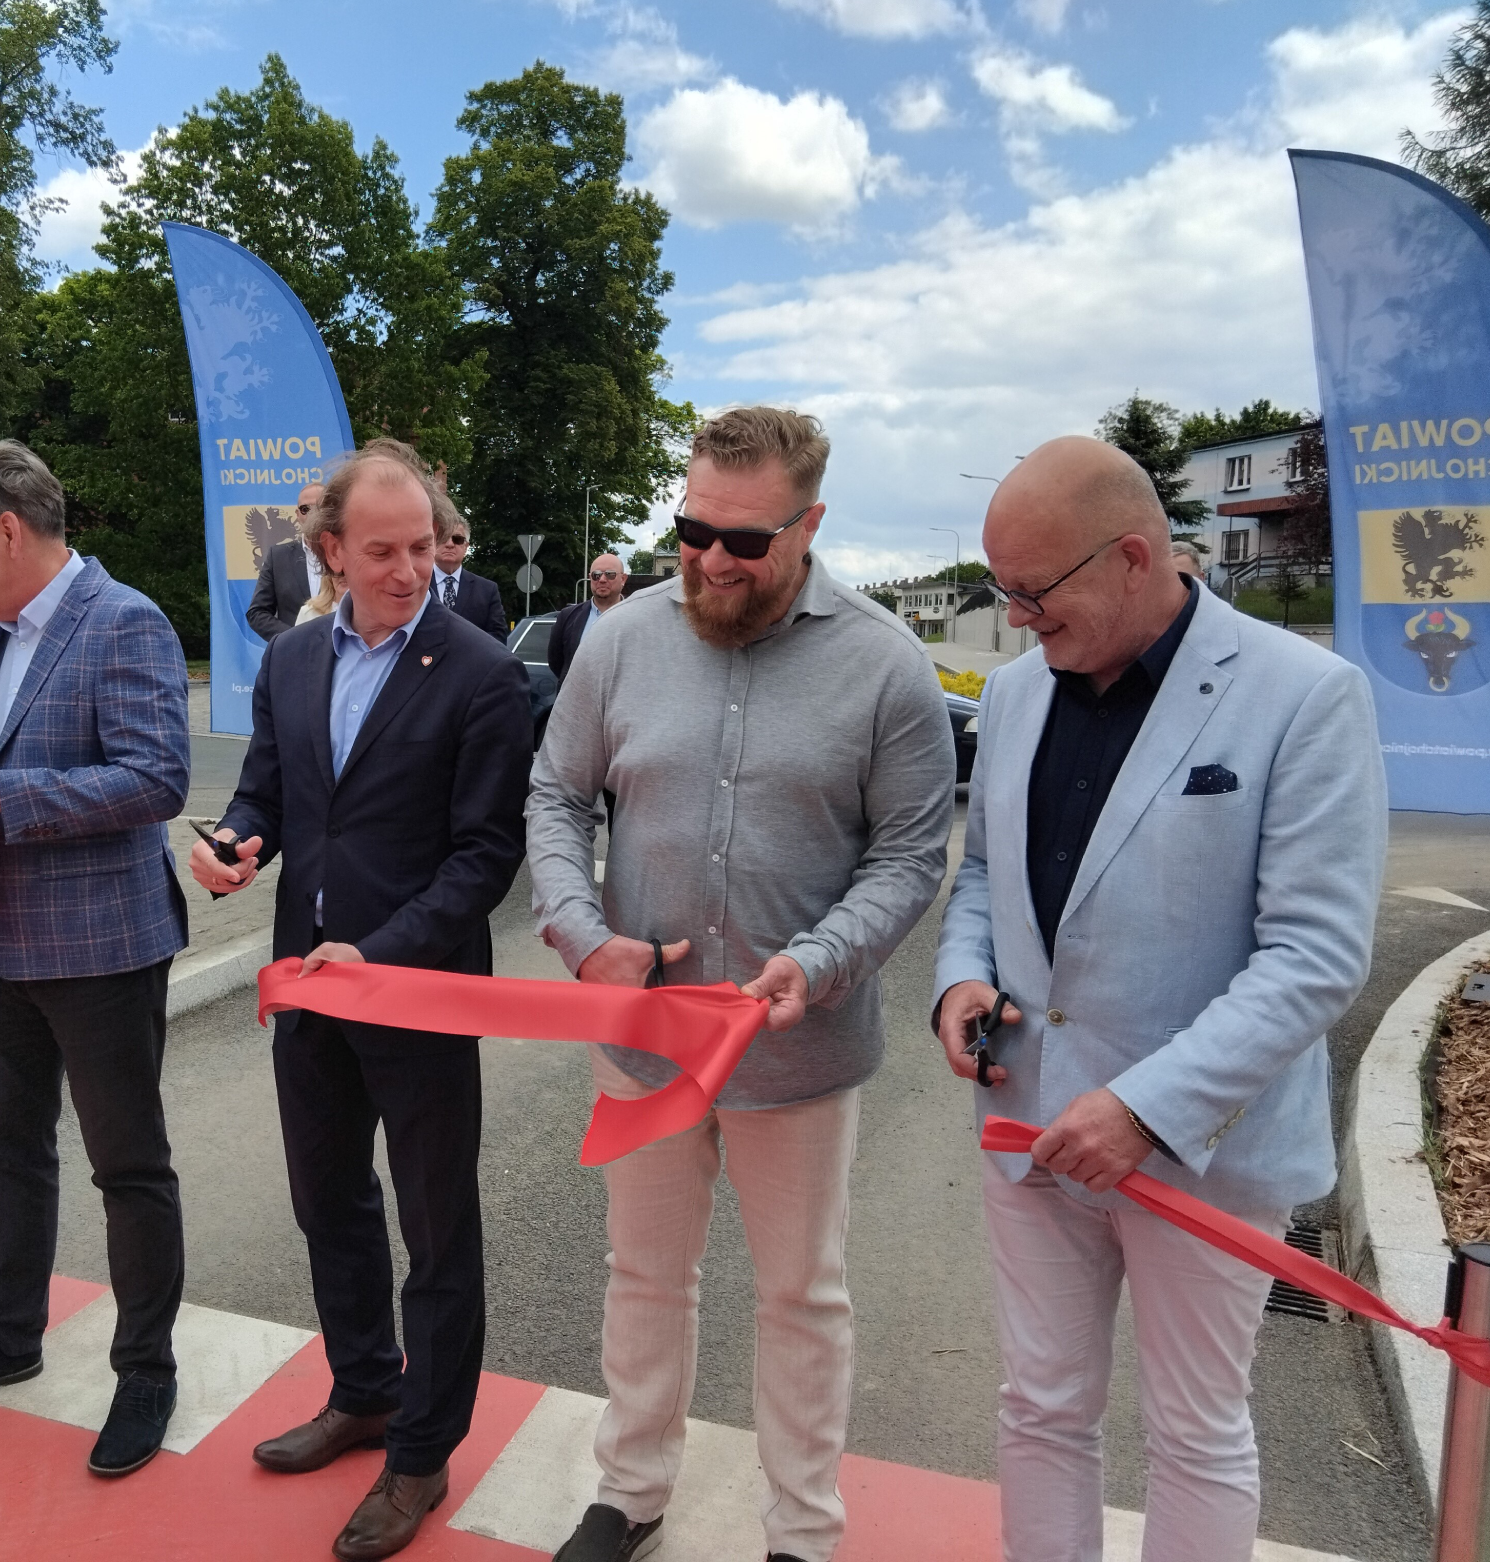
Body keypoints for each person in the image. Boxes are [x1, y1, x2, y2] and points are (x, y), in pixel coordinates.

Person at [932, 436, 1385, 1562]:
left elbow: (1315, 954)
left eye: (1033, 590)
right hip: (1030, 1123)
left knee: (1196, 1433)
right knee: (1039, 1407)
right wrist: (961, 975)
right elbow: (983, 872)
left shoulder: (1305, 695)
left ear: (1133, 558)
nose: (1016, 617)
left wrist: (1145, 1107)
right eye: (1001, 589)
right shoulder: (1015, 692)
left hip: (1206, 1153)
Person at [528, 406, 955, 1562]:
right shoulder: (621, 639)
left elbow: (911, 855)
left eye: (746, 541)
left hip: (798, 1051)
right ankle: (630, 1493)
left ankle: (802, 1533)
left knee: (802, 1296)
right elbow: (557, 795)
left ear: (810, 525)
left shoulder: (886, 665)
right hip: (645, 1040)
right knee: (643, 1275)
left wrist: (821, 960)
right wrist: (580, 932)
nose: (713, 561)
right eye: (692, 531)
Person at [189, 438, 531, 1561]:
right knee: (328, 1200)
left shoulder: (481, 671)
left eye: (422, 547)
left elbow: (485, 857)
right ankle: (365, 1390)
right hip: (306, 985)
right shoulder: (292, 660)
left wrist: (378, 953)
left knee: (436, 1229)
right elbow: (269, 792)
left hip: (418, 991)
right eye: (383, 551)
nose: (410, 570)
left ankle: (422, 1451)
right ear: (330, 550)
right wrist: (237, 842)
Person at [0, 440, 192, 1481]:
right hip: (7, 937)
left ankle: (145, 1369)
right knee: (11, 1147)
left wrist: (4, 795)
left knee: (128, 1165)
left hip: (106, 943)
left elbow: (157, 779)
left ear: (9, 530)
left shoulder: (127, 621)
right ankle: (7, 1333)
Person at [247, 484, 326, 641]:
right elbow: (257, 613)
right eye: (305, 509)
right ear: (297, 515)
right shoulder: (278, 557)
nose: (313, 514)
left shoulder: (348, 554)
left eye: (319, 508)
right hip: (294, 651)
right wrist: (293, 638)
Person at [547, 551, 627, 684]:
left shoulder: (636, 617)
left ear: (623, 579)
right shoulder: (568, 617)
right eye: (596, 575)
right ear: (590, 578)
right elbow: (556, 662)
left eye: (610, 574)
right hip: (577, 695)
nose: (602, 579)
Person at [430, 511, 508, 643]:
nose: (450, 544)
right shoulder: (416, 584)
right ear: (433, 543)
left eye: (457, 539)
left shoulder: (487, 590)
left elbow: (498, 638)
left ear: (466, 547)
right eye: (443, 537)